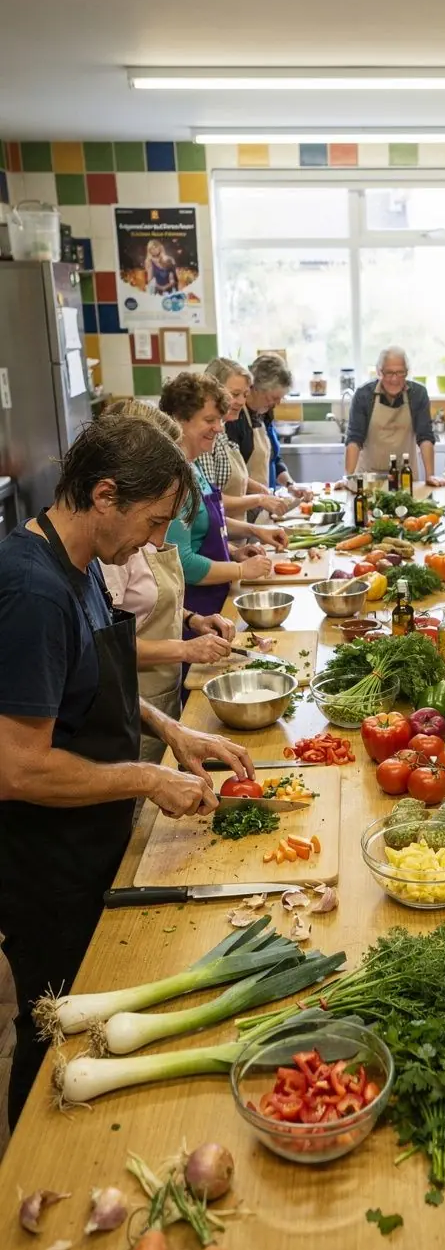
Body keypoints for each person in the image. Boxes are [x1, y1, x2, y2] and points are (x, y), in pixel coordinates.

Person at [0, 416, 256, 1126]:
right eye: (150, 522)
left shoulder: (78, 567)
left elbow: (94, 681)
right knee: (54, 1024)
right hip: (49, 863)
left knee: (93, 1016)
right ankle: (24, 1174)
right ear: (105, 495)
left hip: (96, 840)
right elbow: (17, 768)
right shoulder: (32, 593)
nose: (153, 542)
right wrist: (146, 780)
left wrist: (170, 729)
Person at [99, 401, 235, 760]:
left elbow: (144, 604)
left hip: (163, 698)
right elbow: (104, 649)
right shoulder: (111, 549)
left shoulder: (146, 526)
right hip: (129, 708)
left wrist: (191, 620)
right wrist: (186, 649)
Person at [159, 373, 286, 624]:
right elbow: (183, 561)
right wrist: (241, 570)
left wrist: (235, 550)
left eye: (219, 419)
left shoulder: (192, 467)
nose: (218, 427)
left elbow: (204, 527)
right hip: (194, 608)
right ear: (179, 420)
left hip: (215, 599)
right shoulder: (174, 477)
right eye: (209, 420)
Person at [196, 358, 293, 518]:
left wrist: (264, 491)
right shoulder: (205, 437)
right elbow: (208, 503)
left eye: (244, 394)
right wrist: (259, 499)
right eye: (235, 394)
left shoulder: (221, 433)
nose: (241, 401)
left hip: (234, 528)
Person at [344, 346, 444, 485]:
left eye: (400, 373)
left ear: (407, 372)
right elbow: (354, 439)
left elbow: (425, 437)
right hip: (369, 478)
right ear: (379, 372)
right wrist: (347, 478)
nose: (394, 379)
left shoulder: (418, 394)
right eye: (389, 373)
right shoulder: (363, 395)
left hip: (406, 477)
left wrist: (430, 476)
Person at [246, 353, 310, 498]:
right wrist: (264, 494)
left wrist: (290, 485)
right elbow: (234, 477)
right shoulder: (237, 420)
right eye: (274, 398)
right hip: (247, 505)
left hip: (265, 501)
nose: (277, 403)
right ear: (255, 388)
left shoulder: (265, 413)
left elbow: (274, 458)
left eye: (281, 398)